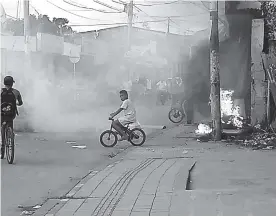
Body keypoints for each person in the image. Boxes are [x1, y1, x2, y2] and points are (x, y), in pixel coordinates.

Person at [1, 76, 23, 157]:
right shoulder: (16, 92)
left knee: (2, 127)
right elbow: (20, 103)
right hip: (11, 114)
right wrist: (16, 103)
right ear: (12, 83)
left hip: (2, 113)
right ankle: (10, 134)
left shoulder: (0, 91)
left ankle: (2, 146)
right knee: (10, 124)